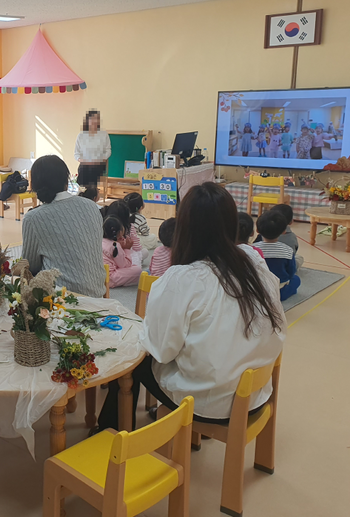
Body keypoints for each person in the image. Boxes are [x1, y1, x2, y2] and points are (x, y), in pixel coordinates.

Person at [98, 182, 285, 430]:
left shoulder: (183, 279)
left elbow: (161, 351)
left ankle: (111, 431)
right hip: (255, 393)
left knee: (131, 360)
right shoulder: (254, 263)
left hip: (206, 402)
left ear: (184, 228)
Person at [22, 155, 106, 297]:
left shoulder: (34, 217)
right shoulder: (92, 206)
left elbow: (29, 266)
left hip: (63, 299)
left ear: (35, 185)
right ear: (66, 180)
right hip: (97, 293)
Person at [253, 210, 301, 301]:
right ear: (283, 231)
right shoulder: (287, 250)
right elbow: (291, 272)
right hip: (279, 291)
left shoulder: (252, 249)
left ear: (257, 230)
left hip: (257, 290)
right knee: (296, 279)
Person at [102, 216, 142, 288]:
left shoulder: (100, 241)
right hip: (110, 278)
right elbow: (125, 265)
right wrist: (126, 249)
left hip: (98, 276)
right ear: (120, 232)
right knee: (138, 270)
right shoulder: (115, 246)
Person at [74, 110, 111, 189]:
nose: (95, 121)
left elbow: (108, 150)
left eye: (97, 119)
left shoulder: (104, 134)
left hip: (98, 163)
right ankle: (82, 191)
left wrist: (100, 160)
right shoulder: (81, 135)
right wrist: (83, 160)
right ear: (87, 120)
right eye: (93, 119)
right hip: (84, 163)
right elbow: (76, 153)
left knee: (92, 169)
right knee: (83, 170)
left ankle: (91, 192)